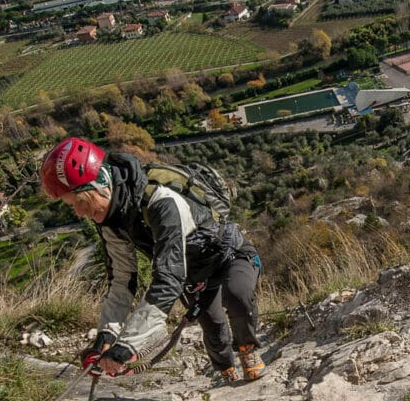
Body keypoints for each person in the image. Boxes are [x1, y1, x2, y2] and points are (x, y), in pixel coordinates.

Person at [40, 137, 265, 383]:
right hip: (194, 274)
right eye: (73, 207)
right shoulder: (110, 221)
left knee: (237, 294)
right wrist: (106, 337)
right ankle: (226, 371)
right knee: (212, 325)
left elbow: (168, 279)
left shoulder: (162, 203)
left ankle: (247, 349)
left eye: (82, 203)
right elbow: (122, 281)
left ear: (102, 184)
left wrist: (128, 345)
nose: (81, 213)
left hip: (228, 254)